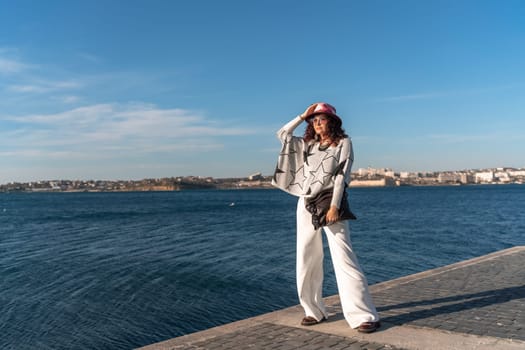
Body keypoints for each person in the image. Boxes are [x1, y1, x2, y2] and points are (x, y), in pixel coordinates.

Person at [272, 102, 380, 333]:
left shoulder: (343, 143)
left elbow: (342, 175)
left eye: (322, 118)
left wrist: (334, 206)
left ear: (333, 121)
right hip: (305, 202)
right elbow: (282, 134)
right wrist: (303, 115)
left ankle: (363, 315)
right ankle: (313, 310)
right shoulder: (308, 145)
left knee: (344, 257)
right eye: (314, 120)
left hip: (330, 202)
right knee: (306, 256)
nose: (317, 123)